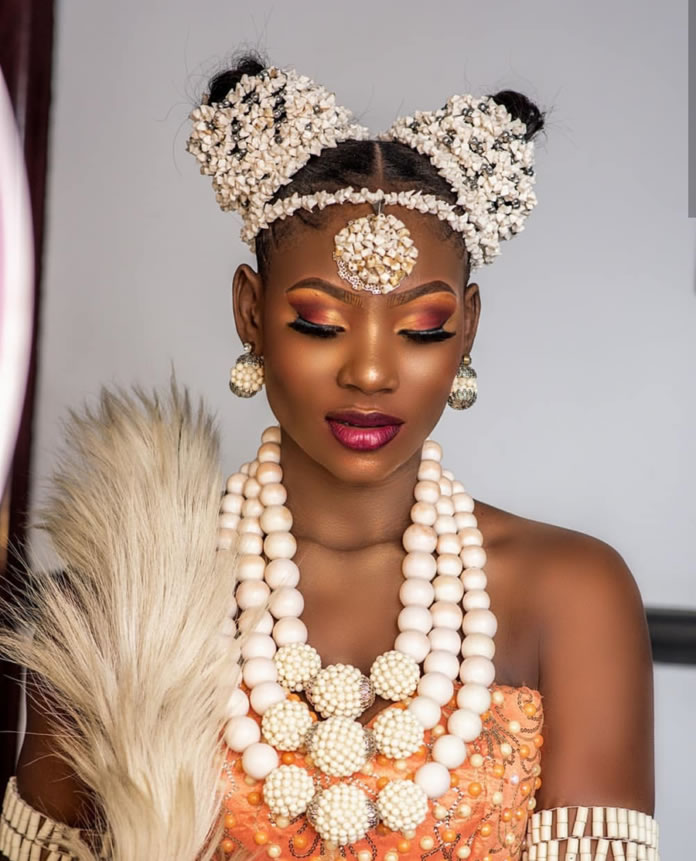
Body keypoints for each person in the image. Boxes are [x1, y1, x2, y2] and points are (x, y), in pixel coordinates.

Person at [0, 53, 659, 861]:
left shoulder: (573, 595)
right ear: (250, 311)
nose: (372, 370)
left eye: (421, 328)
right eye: (320, 322)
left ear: (470, 329)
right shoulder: (116, 601)